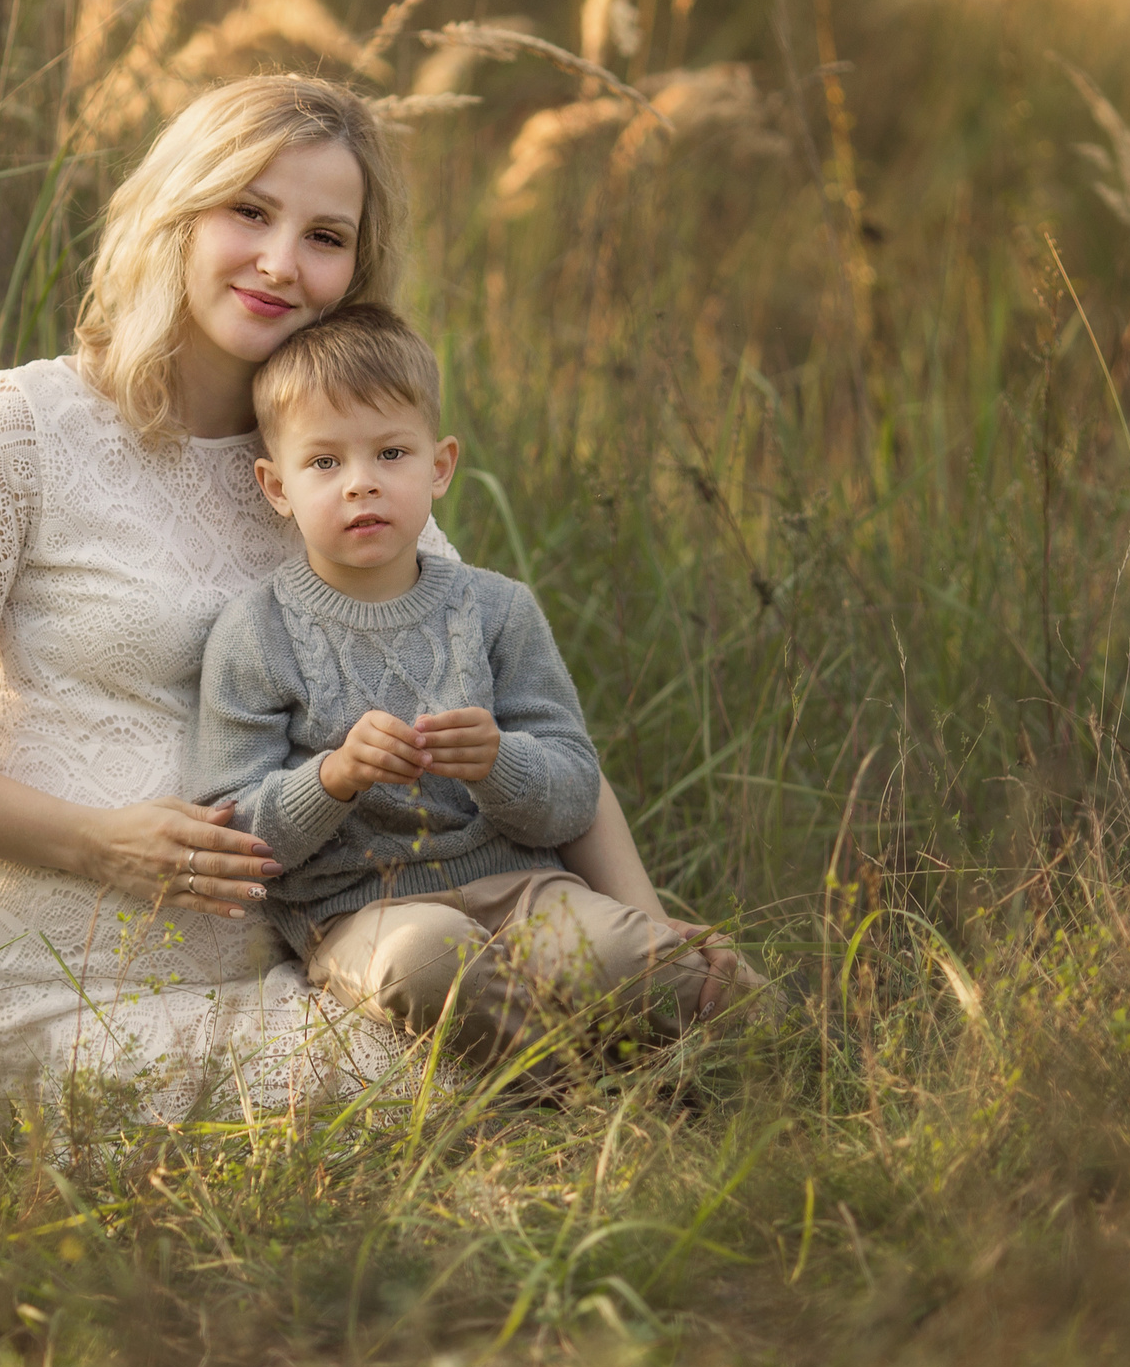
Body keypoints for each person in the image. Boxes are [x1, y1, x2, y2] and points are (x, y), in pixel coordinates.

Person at [0, 75, 744, 1136]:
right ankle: (601, 1090)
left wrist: (649, 946)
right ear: (177, 211)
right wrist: (93, 842)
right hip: (63, 992)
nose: (281, 263)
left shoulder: (341, 455)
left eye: (325, 235)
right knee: (451, 1076)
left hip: (331, 959)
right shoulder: (26, 429)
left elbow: (521, 715)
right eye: (249, 211)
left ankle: (654, 1061)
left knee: (648, 991)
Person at [189, 305, 730, 1074]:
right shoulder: (256, 632)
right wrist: (334, 776)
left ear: (439, 466)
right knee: (429, 962)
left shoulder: (497, 608)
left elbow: (575, 789)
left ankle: (736, 1045)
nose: (361, 484)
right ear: (276, 486)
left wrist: (498, 760)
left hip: (523, 887)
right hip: (360, 912)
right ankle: (579, 1089)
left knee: (624, 958)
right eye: (325, 463)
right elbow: (236, 835)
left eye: (391, 452)